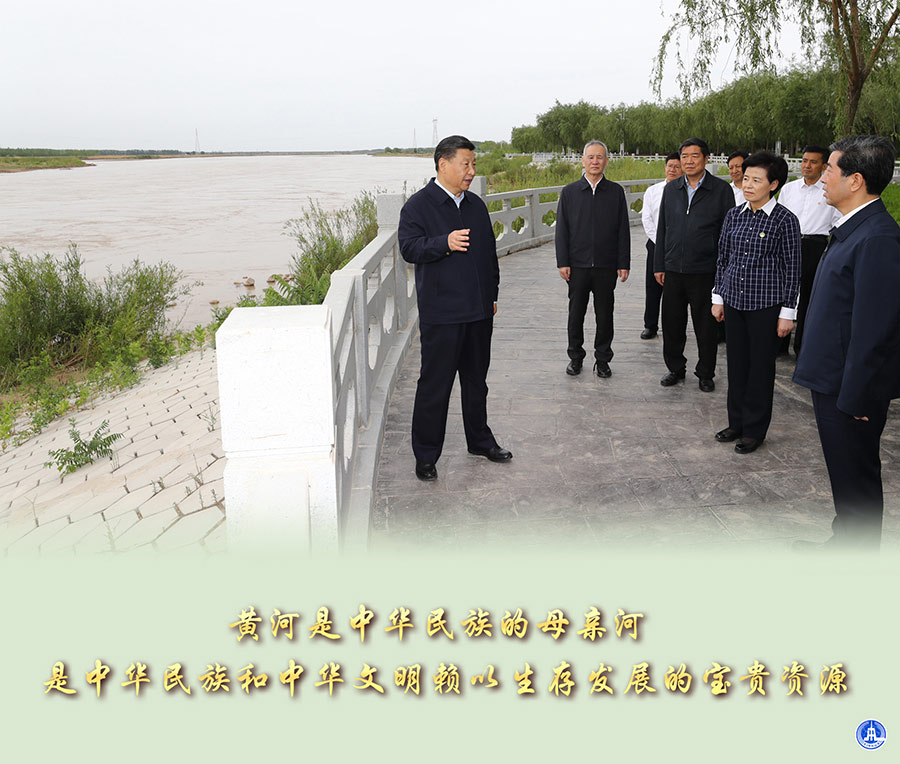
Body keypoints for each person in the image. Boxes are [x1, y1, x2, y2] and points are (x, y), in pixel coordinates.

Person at [793, 135, 900, 549]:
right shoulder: (853, 229)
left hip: (848, 390)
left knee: (857, 483)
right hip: (833, 380)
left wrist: (857, 398)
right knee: (846, 477)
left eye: (830, 170)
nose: (822, 178)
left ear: (855, 180)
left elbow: (875, 329)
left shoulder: (877, 238)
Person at [398, 135, 512, 481]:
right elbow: (409, 249)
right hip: (443, 314)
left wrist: (492, 295)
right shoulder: (418, 206)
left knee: (477, 383)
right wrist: (444, 243)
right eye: (466, 164)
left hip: (479, 312)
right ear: (443, 164)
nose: (471, 171)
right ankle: (426, 455)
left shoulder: (476, 205)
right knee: (435, 386)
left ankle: (480, 441)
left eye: (474, 164)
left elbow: (489, 255)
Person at [711, 151, 801, 454]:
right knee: (736, 365)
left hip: (766, 306)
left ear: (773, 184)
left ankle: (754, 429)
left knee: (760, 369)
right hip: (734, 301)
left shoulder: (785, 220)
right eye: (746, 178)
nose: (748, 185)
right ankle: (736, 422)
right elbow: (723, 259)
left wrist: (787, 313)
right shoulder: (734, 215)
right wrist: (718, 297)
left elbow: (793, 269)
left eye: (756, 180)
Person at [654, 138, 735, 391]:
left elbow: (728, 233)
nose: (689, 161)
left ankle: (705, 372)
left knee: (706, 327)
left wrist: (724, 271)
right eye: (684, 156)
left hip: (705, 271)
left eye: (695, 156)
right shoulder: (671, 189)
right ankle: (675, 368)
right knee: (672, 324)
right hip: (673, 270)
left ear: (706, 159)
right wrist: (659, 264)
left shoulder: (721, 190)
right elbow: (662, 228)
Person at [555, 140, 630, 377]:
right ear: (583, 161)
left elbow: (623, 230)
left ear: (606, 161)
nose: (595, 161)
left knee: (605, 315)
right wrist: (563, 261)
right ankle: (575, 357)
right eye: (591, 157)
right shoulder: (570, 192)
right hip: (577, 266)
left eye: (600, 157)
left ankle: (603, 359)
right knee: (576, 314)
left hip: (606, 266)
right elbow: (562, 231)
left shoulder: (615, 192)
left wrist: (623, 263)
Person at [776, 145, 840, 355]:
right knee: (782, 293)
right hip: (788, 244)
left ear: (823, 166)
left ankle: (802, 346)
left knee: (808, 299)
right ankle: (779, 345)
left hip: (815, 246)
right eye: (804, 161)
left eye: (813, 162)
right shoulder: (789, 189)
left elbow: (837, 223)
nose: (807, 165)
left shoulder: (830, 191)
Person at [640, 151, 682, 340]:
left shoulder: (686, 192)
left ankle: (674, 327)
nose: (673, 169)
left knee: (676, 289)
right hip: (656, 245)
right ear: (665, 167)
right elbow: (647, 219)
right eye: (670, 166)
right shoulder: (653, 191)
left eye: (677, 166)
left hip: (678, 246)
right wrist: (661, 241)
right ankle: (650, 325)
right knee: (652, 286)